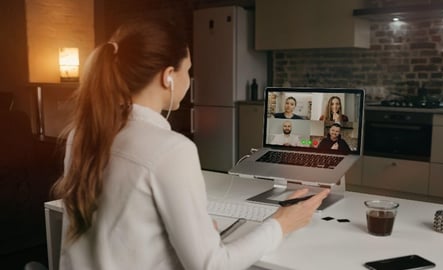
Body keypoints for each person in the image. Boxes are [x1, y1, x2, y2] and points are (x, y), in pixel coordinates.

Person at [51, 17, 330, 270]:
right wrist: (281, 224)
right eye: (188, 70)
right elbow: (211, 266)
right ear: (168, 76)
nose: (189, 80)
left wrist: (184, 233)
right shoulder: (170, 150)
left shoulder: (81, 134)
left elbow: (117, 230)